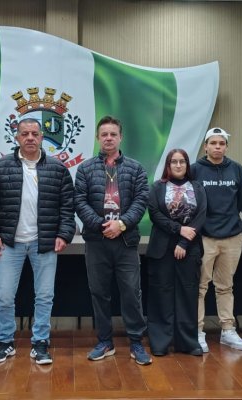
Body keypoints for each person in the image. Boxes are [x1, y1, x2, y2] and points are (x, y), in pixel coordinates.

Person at [0, 118, 76, 365]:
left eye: (34, 133)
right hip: (10, 244)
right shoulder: (2, 167)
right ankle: (5, 342)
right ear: (17, 137)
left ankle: (40, 342)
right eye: (25, 134)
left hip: (44, 243)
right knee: (4, 296)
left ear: (42, 137)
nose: (30, 138)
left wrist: (64, 234)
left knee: (44, 296)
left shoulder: (57, 169)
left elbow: (67, 207)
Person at [74, 115, 153, 365]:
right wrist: (101, 225)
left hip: (126, 242)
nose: (108, 138)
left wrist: (121, 224)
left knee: (131, 293)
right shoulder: (85, 169)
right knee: (99, 293)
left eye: (113, 134)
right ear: (98, 138)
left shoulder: (136, 168)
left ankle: (136, 342)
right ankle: (105, 342)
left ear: (120, 137)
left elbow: (141, 200)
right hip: (96, 242)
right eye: (104, 134)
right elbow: (79, 201)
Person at [191, 127, 242, 353]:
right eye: (213, 143)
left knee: (226, 286)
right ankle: (198, 331)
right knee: (200, 287)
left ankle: (227, 330)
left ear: (226, 147)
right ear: (205, 146)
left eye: (221, 143)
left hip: (232, 237)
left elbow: (241, 200)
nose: (217, 147)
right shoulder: (195, 169)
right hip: (204, 237)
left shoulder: (236, 168)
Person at [146, 149, 206, 356]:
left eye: (182, 161)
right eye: (174, 162)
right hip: (161, 249)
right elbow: (155, 214)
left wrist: (183, 242)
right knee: (160, 294)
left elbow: (201, 216)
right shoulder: (157, 187)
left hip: (189, 248)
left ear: (187, 165)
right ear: (168, 165)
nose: (178, 165)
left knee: (188, 295)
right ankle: (160, 342)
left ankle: (188, 343)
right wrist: (179, 230)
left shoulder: (197, 187)